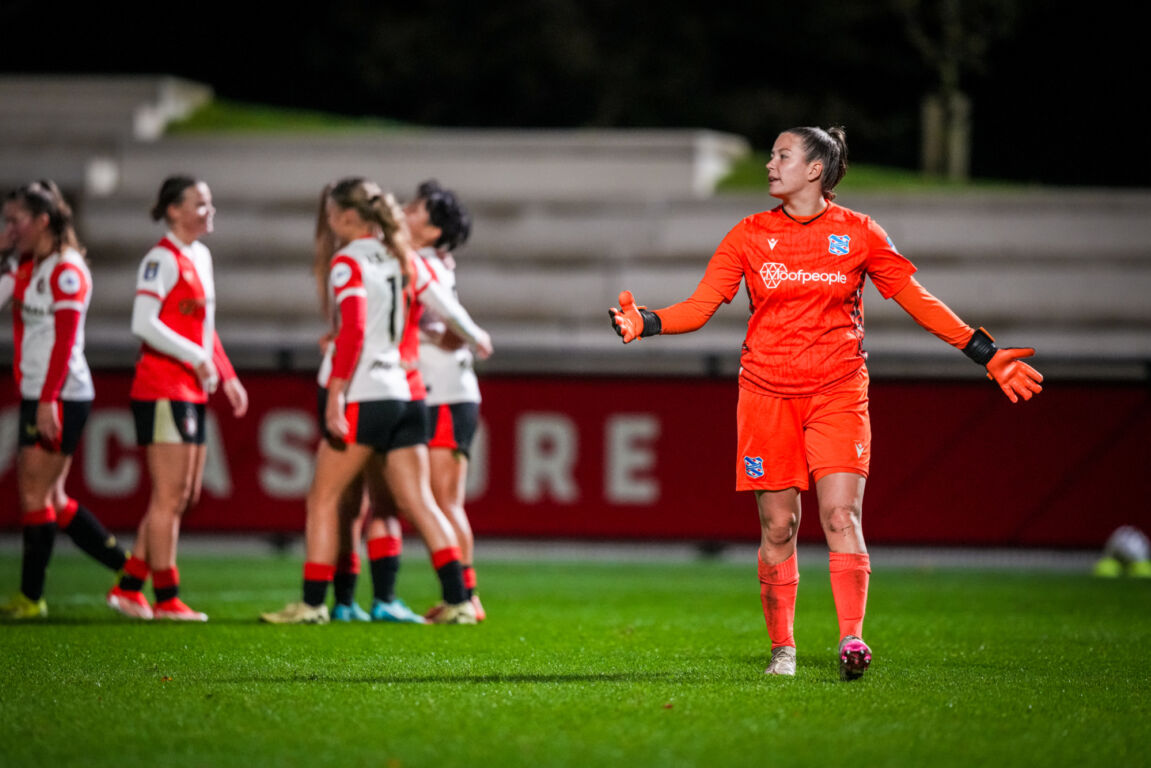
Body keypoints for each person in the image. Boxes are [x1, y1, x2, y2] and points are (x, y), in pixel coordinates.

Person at [609, 126, 1043, 680]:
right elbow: (699, 307)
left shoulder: (859, 233)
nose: (770, 164)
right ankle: (783, 648)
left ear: (815, 169)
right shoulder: (747, 234)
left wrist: (984, 352)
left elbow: (917, 298)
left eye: (781, 155)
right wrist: (647, 322)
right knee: (779, 528)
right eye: (770, 155)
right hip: (765, 394)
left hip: (838, 392)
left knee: (842, 515)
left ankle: (852, 639)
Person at [260, 176, 483, 625]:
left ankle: (313, 603)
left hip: (366, 390)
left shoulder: (348, 262)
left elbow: (356, 332)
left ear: (345, 219)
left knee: (325, 499)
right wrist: (477, 336)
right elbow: (441, 302)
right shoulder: (402, 258)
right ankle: (460, 600)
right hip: (407, 393)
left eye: (329, 216)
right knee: (419, 502)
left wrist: (335, 395)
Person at [105, 176, 248, 622]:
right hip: (162, 385)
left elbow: (202, 330)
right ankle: (166, 597)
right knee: (169, 495)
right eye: (200, 204)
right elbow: (143, 323)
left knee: (183, 494)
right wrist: (198, 360)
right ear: (173, 210)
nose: (210, 211)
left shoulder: (199, 256)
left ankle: (130, 586)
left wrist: (225, 373)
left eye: (209, 202)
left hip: (189, 386)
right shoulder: (159, 259)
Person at [0, 181, 129, 619]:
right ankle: (128, 570)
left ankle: (31, 597)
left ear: (42, 221)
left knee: (34, 493)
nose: (10, 228)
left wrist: (48, 399)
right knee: (51, 497)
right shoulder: (29, 264)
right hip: (42, 392)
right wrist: (5, 254)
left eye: (16, 221)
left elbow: (65, 341)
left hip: (60, 394)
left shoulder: (67, 270)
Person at [408, 180, 488, 620]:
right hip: (443, 392)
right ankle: (461, 594)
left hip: (445, 394)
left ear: (434, 230)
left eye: (415, 208)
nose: (404, 211)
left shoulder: (427, 266)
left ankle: (466, 595)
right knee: (437, 500)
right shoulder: (435, 263)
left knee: (443, 501)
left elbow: (453, 330)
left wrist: (433, 333)